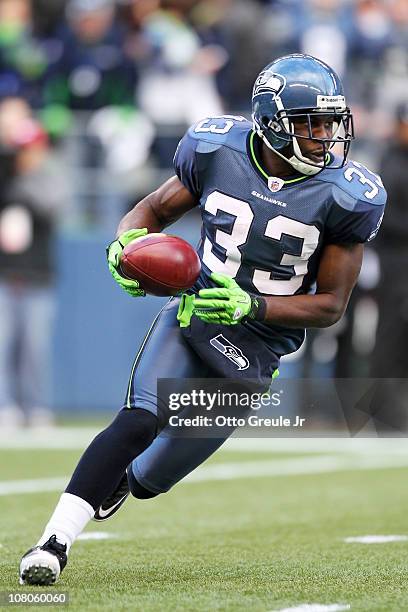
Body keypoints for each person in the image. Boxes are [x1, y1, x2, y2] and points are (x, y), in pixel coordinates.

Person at [19, 53, 386, 585]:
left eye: (331, 123)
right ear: (272, 123)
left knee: (150, 479)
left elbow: (330, 305)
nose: (327, 137)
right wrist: (126, 245)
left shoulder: (346, 195)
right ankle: (53, 543)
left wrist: (252, 306)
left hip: (258, 347)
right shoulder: (218, 150)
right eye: (312, 125)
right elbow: (151, 211)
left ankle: (124, 481)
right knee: (139, 418)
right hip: (195, 311)